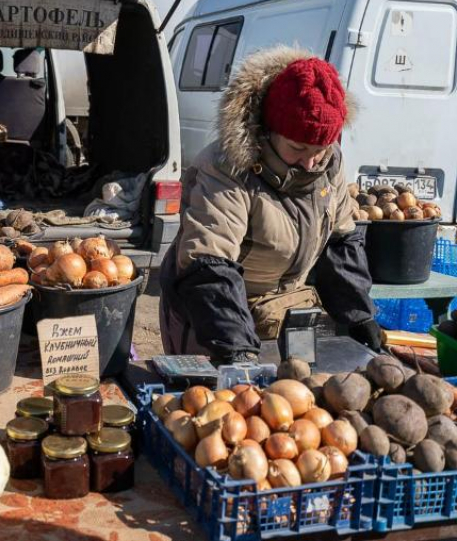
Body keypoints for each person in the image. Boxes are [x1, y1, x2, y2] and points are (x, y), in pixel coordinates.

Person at [159, 46, 381, 365]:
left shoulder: (329, 163)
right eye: (297, 148)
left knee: (294, 397)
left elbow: (340, 243)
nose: (310, 162)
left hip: (285, 311)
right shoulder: (227, 167)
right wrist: (237, 351)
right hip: (212, 313)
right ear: (268, 132)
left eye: (320, 148)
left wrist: (359, 315)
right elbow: (209, 263)